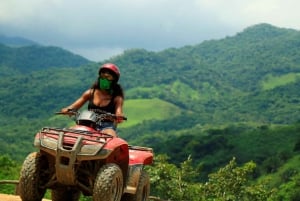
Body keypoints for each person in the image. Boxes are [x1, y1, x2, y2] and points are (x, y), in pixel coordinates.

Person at [61, 63, 125, 137]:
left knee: (110, 135)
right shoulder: (90, 93)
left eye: (108, 77)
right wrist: (67, 110)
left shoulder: (117, 98)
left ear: (114, 80)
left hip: (106, 126)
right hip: (88, 123)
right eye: (102, 77)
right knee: (71, 131)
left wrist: (119, 116)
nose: (104, 79)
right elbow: (74, 106)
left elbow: (119, 112)